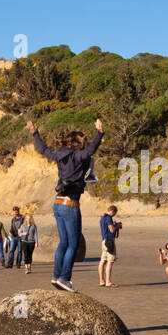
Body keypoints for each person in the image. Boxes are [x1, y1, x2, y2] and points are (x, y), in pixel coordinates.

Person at [28, 117, 103, 293]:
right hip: (70, 204)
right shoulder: (80, 155)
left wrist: (35, 133)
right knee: (73, 244)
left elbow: (43, 149)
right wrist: (100, 133)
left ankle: (56, 275)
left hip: (58, 203)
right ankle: (64, 278)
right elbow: (91, 149)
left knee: (63, 242)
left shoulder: (59, 154)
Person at [98, 204, 119, 287]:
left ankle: (101, 281)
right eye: (114, 214)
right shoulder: (109, 218)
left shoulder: (102, 218)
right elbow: (111, 230)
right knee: (110, 261)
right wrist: (117, 226)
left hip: (104, 241)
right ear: (112, 211)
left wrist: (113, 224)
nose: (114, 215)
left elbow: (107, 228)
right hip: (109, 242)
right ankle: (108, 281)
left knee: (103, 261)